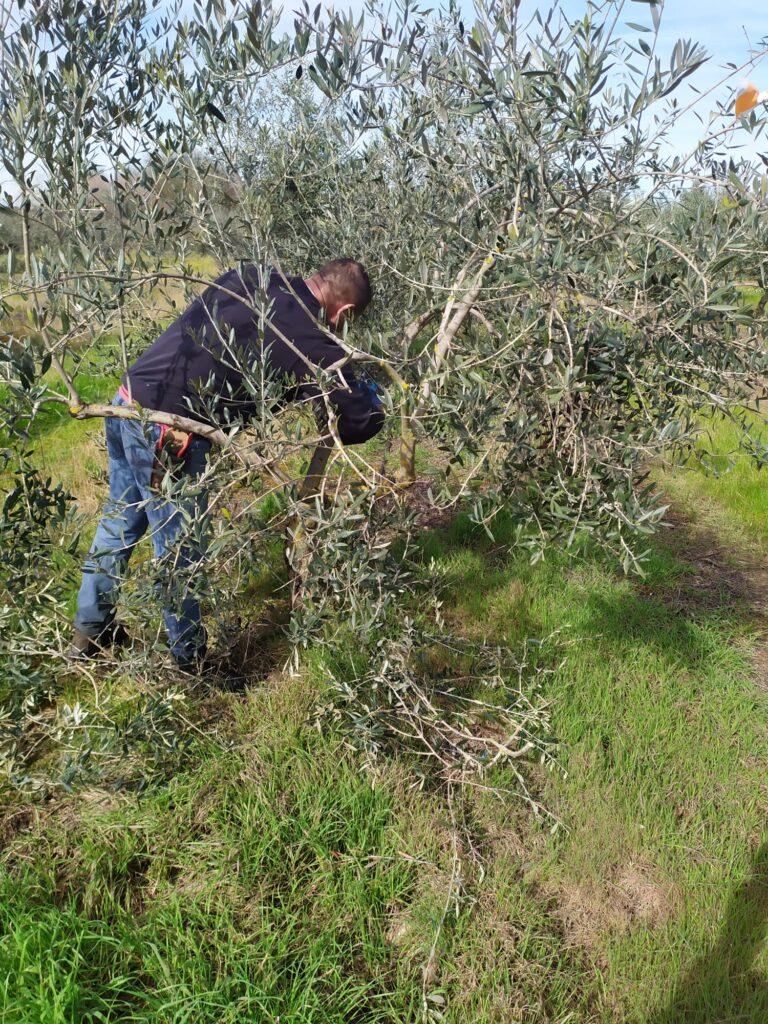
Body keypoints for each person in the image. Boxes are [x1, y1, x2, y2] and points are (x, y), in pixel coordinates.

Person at [68, 258, 384, 671]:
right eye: (347, 324)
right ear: (343, 314)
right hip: (169, 434)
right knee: (180, 550)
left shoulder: (252, 274)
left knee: (119, 520)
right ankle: (189, 663)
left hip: (126, 401)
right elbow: (355, 421)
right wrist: (376, 399)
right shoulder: (305, 339)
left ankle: (90, 630)